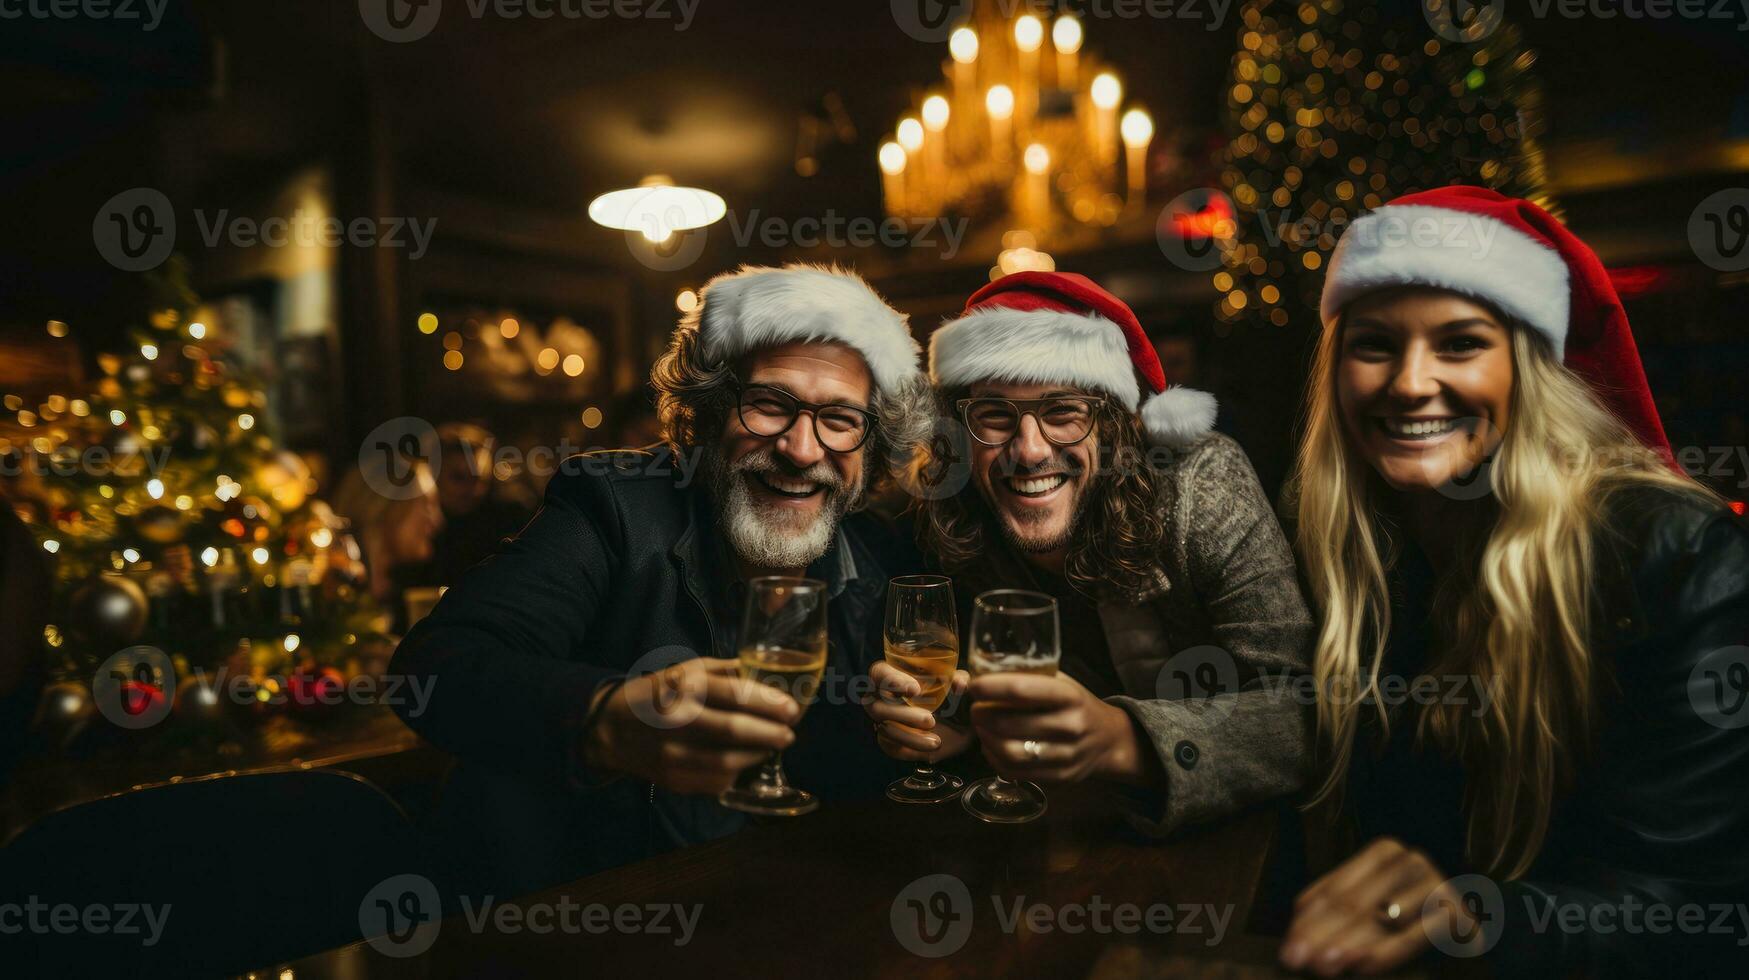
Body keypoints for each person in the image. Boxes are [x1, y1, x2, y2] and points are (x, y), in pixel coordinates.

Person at [1278, 186, 1749, 976]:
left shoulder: (1678, 556)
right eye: (1374, 345)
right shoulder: (1345, 547)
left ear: (1525, 370)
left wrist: (1472, 917)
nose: (1408, 382)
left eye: (1459, 344)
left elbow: (1702, 912)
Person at [390, 264, 933, 890]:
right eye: (767, 404)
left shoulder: (881, 554)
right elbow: (434, 665)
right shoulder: (615, 508)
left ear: (871, 446)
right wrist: (609, 720)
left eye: (840, 419)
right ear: (705, 416)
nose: (802, 450)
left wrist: (914, 733)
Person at [864, 270, 1315, 835]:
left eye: (1062, 413)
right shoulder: (956, 515)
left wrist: (1124, 740)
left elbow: (1305, 715)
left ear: (1116, 427)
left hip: (1234, 854)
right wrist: (960, 728)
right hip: (1059, 854)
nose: (1028, 452)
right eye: (995, 416)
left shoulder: (1202, 481)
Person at [426, 421, 536, 585]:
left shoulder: (506, 522)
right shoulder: (420, 527)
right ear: (433, 475)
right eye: (458, 477)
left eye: (480, 480)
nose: (472, 490)